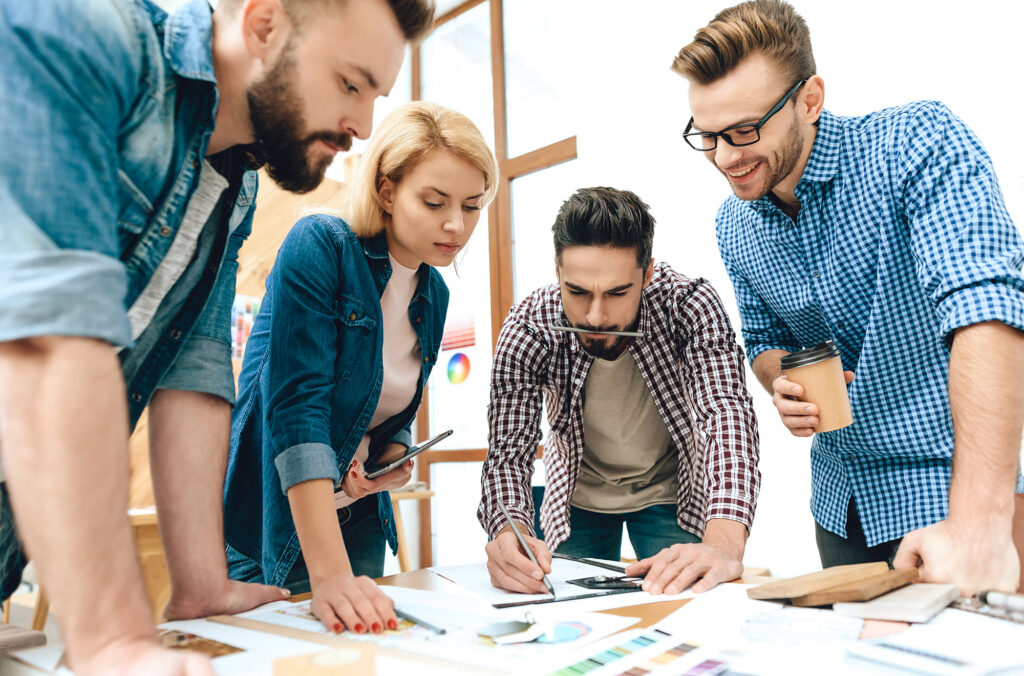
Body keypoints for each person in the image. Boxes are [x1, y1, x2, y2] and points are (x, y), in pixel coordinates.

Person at [0, 0, 432, 672]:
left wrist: (202, 584)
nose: (362, 126)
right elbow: (48, 341)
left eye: (376, 96)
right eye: (351, 84)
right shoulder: (80, 31)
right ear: (263, 24)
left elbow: (196, 363)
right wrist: (115, 638)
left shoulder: (237, 179)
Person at [672, 0, 1024, 595]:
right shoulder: (733, 223)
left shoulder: (914, 142)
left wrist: (979, 527)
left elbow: (986, 305)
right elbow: (764, 341)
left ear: (809, 100)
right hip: (841, 506)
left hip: (951, 498)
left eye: (743, 131)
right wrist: (780, 379)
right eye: (706, 137)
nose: (726, 158)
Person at [223, 101, 499, 634]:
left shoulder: (433, 293)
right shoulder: (322, 245)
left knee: (358, 659)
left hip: (358, 518)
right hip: (273, 522)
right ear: (387, 190)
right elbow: (297, 411)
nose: (455, 224)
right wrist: (329, 575)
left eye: (472, 205)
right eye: (435, 201)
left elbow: (387, 413)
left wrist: (393, 454)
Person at [479, 187, 760, 596]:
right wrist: (509, 532)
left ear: (646, 275)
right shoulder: (529, 327)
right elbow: (508, 452)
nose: (596, 316)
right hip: (576, 496)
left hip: (671, 489)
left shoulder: (688, 304)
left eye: (616, 293)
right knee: (567, 608)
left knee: (686, 601)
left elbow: (726, 414)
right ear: (556, 271)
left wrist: (724, 543)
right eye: (577, 292)